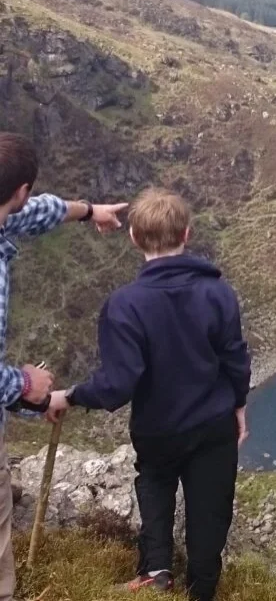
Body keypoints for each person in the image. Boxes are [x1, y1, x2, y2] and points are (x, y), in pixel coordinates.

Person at [47, 188, 251, 600]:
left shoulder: (124, 305)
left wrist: (69, 396)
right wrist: (239, 407)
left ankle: (156, 570)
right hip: (214, 424)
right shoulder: (218, 293)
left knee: (155, 483)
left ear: (134, 238)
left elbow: (118, 384)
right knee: (210, 508)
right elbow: (235, 358)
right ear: (187, 234)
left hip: (159, 429)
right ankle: (202, 589)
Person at [0, 132, 127, 601]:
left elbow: (41, 212)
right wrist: (26, 383)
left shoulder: (9, 216)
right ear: (20, 190)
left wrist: (90, 211)